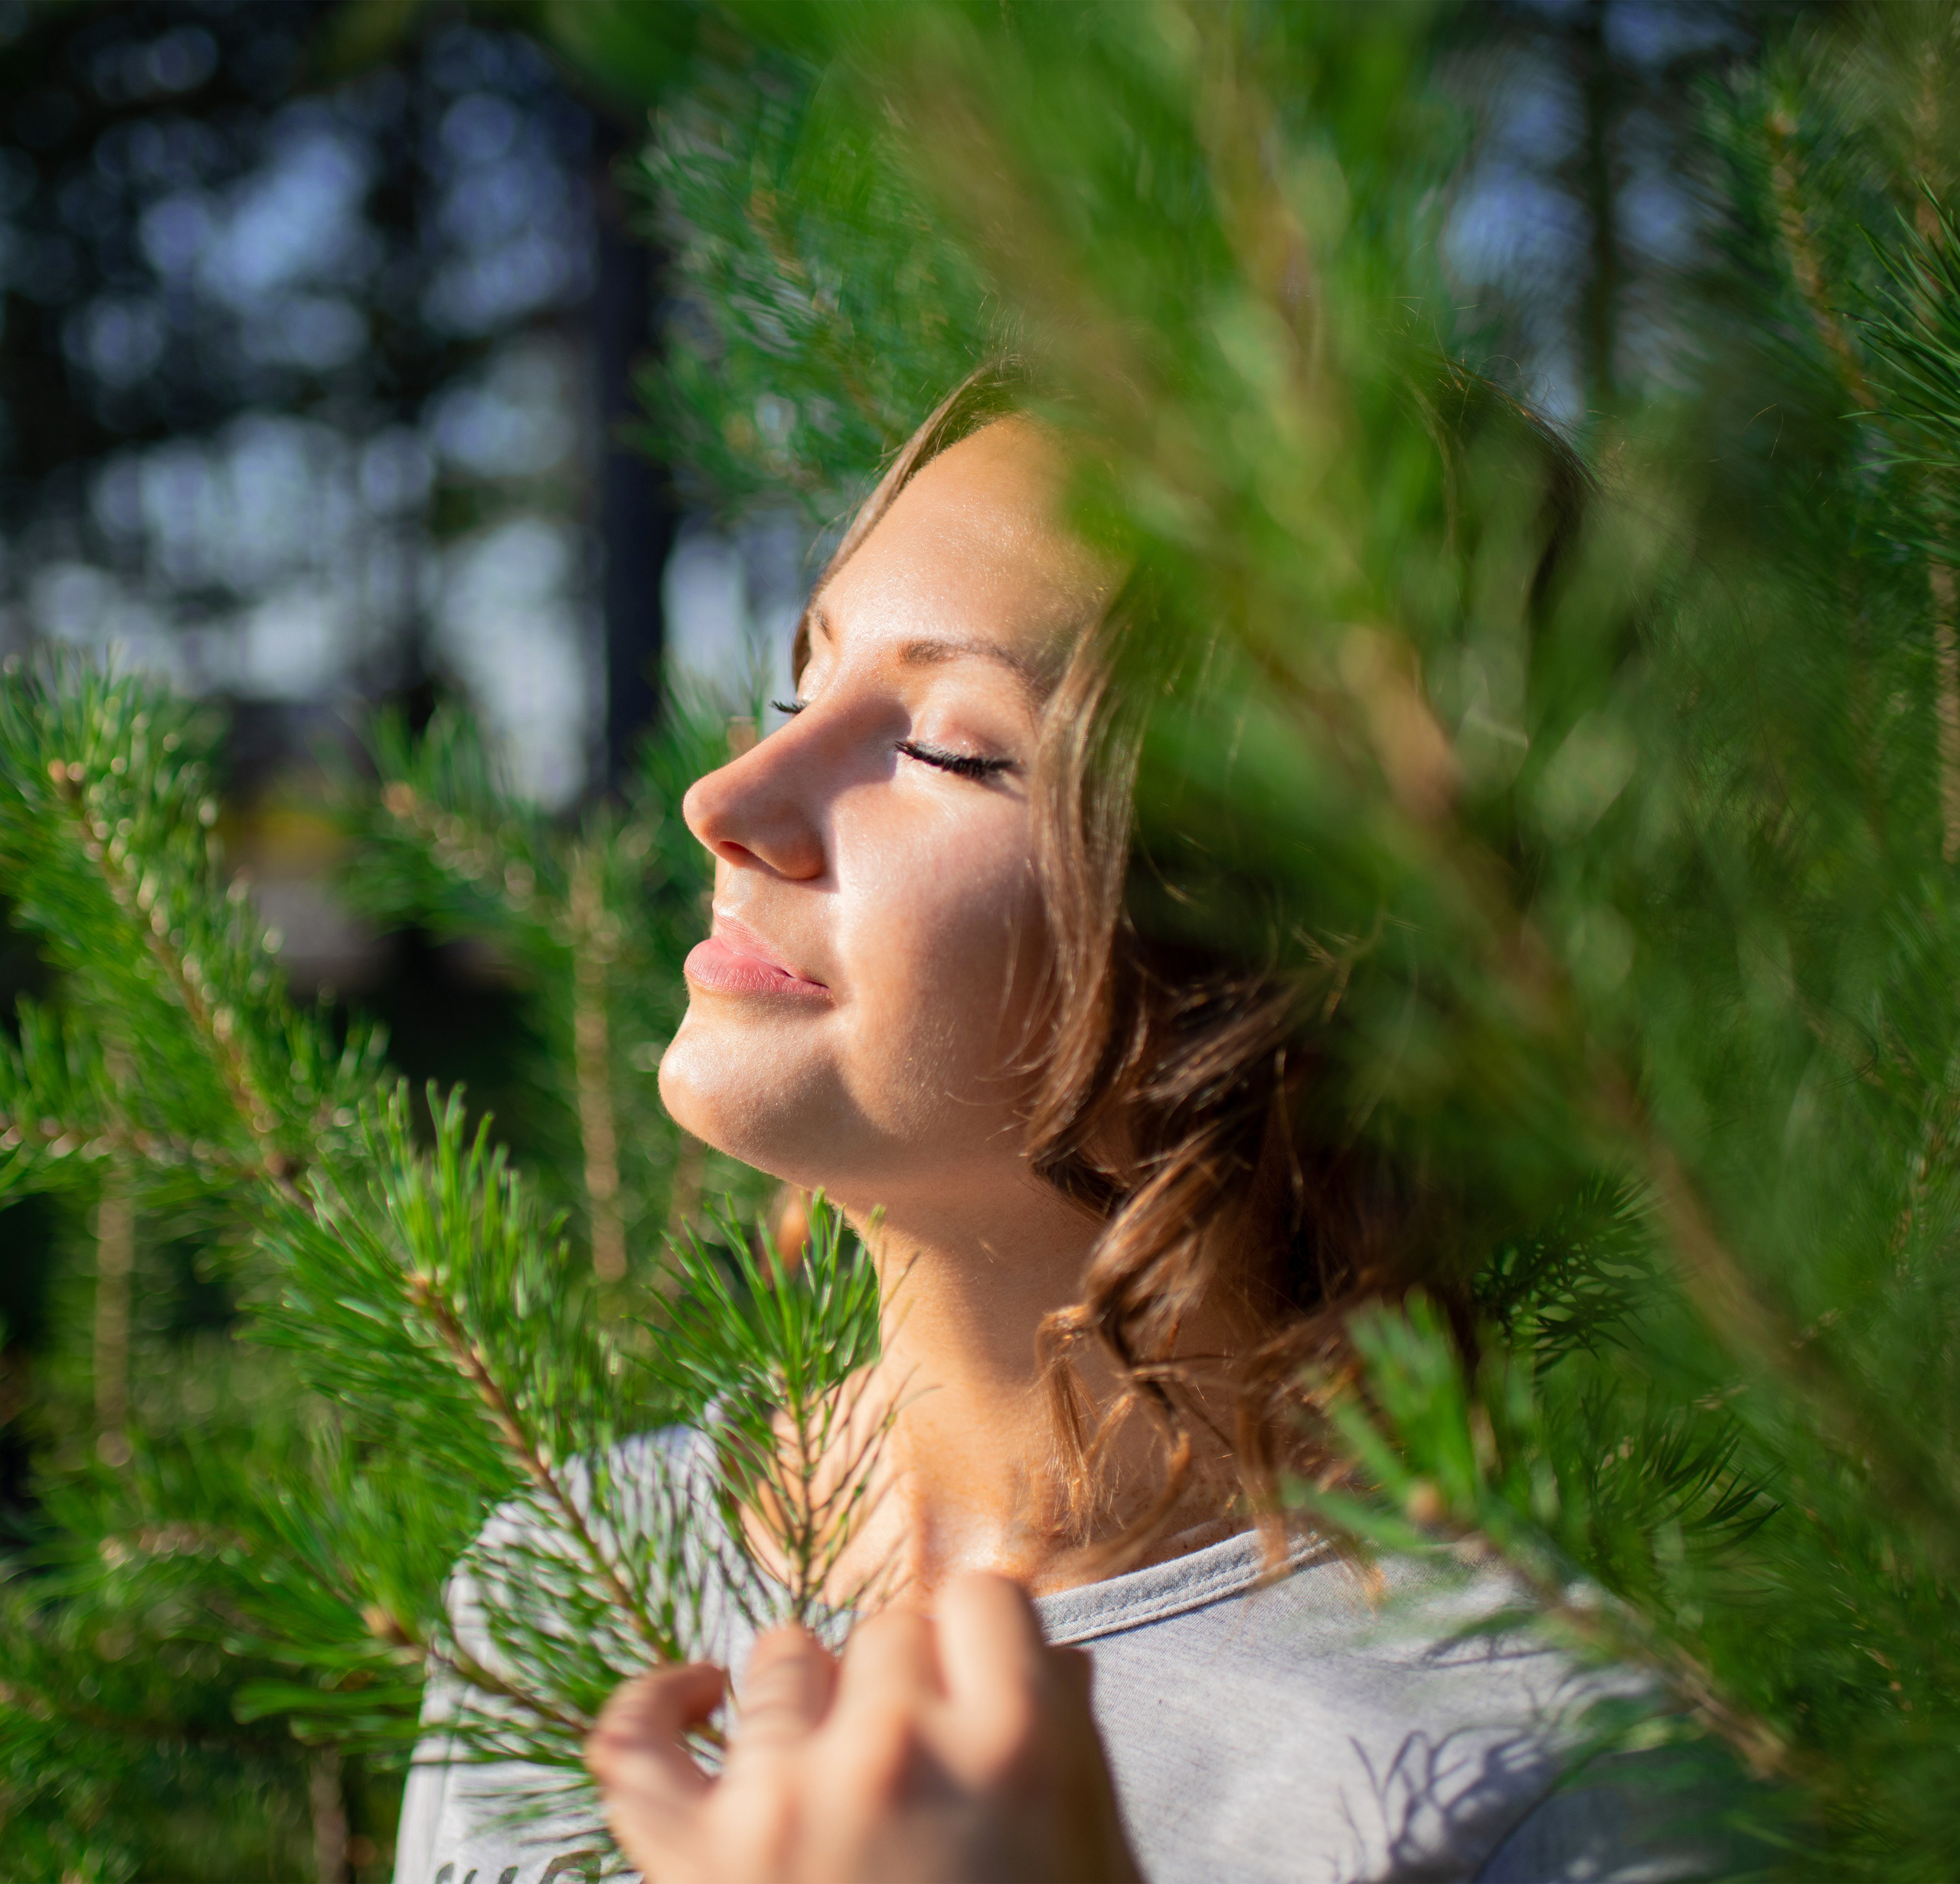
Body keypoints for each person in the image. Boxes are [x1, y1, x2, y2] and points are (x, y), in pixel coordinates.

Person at [394, 367, 1720, 1884]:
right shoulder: (561, 1588)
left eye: (952, 745)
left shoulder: (1543, 1790)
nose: (729, 794)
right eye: (798, 687)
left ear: (1300, 947)